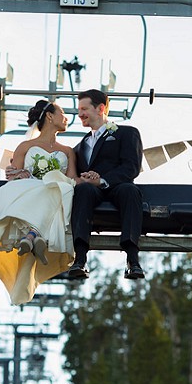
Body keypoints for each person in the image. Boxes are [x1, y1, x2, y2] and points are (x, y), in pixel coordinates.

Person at [0, 100, 79, 305]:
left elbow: (72, 179)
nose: (66, 118)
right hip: (30, 190)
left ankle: (33, 235)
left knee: (61, 188)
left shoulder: (68, 151)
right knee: (45, 190)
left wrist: (93, 179)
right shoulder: (25, 146)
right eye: (62, 113)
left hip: (55, 190)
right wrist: (21, 174)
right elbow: (13, 177)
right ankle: (34, 235)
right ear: (49, 117)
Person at [68, 89, 146, 280]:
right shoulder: (80, 146)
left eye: (84, 109)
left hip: (117, 187)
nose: (80, 114)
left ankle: (132, 259)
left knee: (130, 190)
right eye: (79, 109)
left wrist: (102, 180)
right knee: (83, 189)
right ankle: (80, 258)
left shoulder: (126, 133)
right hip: (90, 191)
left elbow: (131, 167)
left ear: (100, 108)